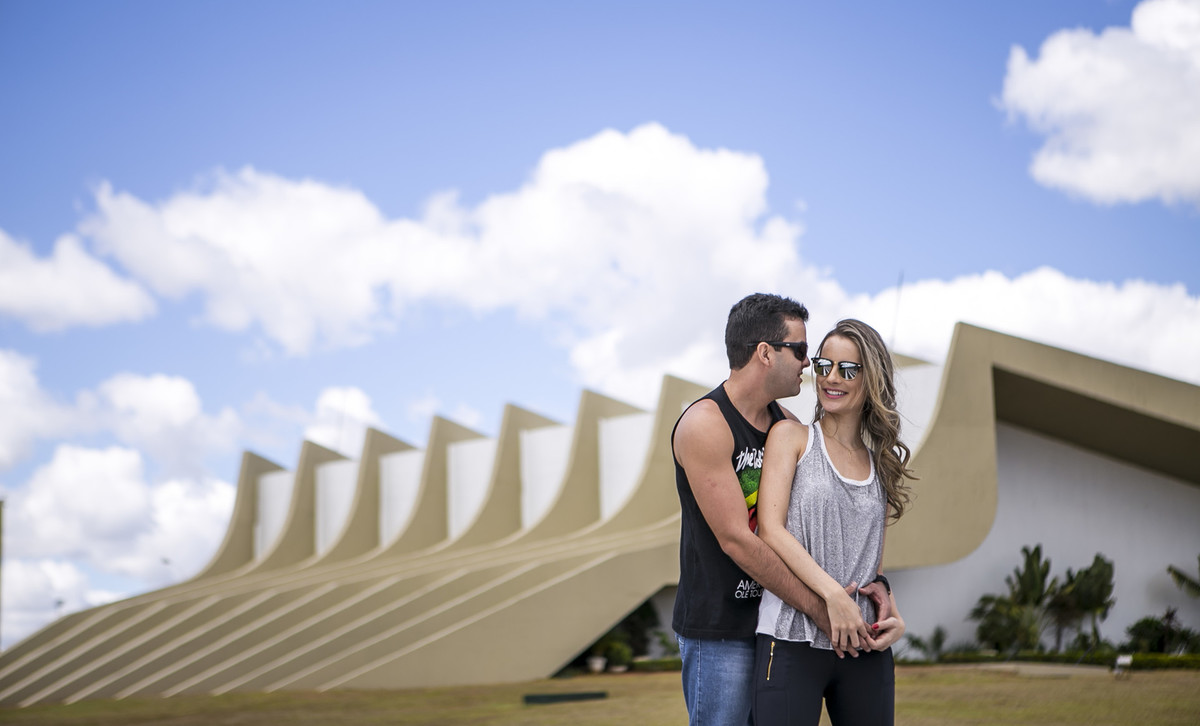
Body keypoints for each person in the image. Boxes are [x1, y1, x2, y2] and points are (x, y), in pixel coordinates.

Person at [672, 295, 890, 726]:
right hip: (721, 631)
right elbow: (739, 540)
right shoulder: (706, 424)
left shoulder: (784, 425)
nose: (809, 363)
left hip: (775, 624)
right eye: (801, 350)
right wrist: (821, 608)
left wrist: (878, 590)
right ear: (765, 353)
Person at [753, 318, 916, 726]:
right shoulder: (790, 437)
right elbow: (770, 530)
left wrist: (892, 609)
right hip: (790, 637)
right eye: (824, 366)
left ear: (871, 378)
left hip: (863, 642)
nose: (831, 378)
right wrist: (832, 596)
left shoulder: (880, 464)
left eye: (847, 369)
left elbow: (872, 563)